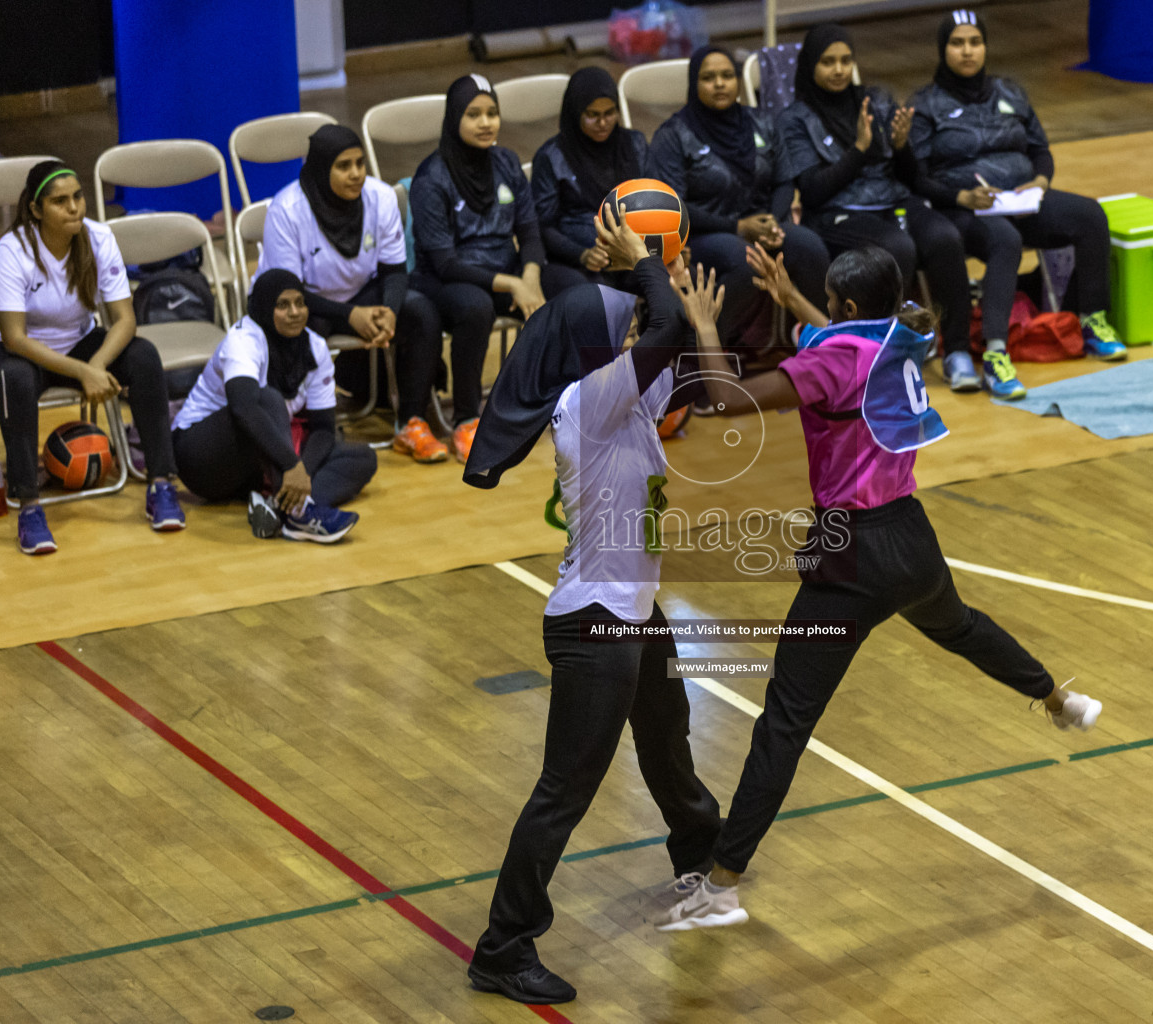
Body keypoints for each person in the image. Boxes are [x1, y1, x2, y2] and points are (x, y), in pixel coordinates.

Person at [658, 244, 1103, 930]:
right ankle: (1057, 698)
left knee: (785, 722)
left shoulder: (837, 356)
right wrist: (794, 302)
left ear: (849, 308)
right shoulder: (903, 335)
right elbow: (841, 342)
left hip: (852, 557)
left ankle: (720, 887)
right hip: (911, 539)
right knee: (960, 627)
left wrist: (705, 325)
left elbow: (726, 398)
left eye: (831, 304)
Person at [460, 210, 720, 1005]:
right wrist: (645, 263)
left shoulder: (626, 398)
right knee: (564, 791)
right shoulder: (591, 402)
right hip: (596, 622)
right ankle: (503, 948)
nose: (637, 331)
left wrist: (692, 314)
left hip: (633, 613)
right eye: (625, 327)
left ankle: (698, 866)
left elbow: (706, 384)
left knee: (670, 749)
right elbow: (663, 326)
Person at [0, 160, 185, 555]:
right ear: (35, 210)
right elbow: (16, 338)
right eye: (59, 201)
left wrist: (98, 365)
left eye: (78, 197)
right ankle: (29, 509)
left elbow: (125, 321)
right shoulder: (13, 249)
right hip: (11, 349)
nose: (73, 208)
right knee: (16, 379)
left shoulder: (99, 238)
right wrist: (82, 371)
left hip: (79, 343)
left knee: (143, 357)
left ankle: (161, 484)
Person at [909, 9, 1127, 399]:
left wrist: (1040, 183)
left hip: (1020, 200)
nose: (967, 51)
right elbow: (916, 176)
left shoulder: (1010, 92)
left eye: (975, 42)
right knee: (1004, 240)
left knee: (1090, 215)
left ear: (985, 47)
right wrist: (961, 197)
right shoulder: (926, 105)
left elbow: (1041, 151)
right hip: (964, 209)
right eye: (957, 43)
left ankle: (1092, 319)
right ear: (943, 50)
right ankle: (995, 356)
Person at [776, 24, 970, 375]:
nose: (838, 70)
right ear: (810, 66)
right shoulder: (795, 119)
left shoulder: (876, 100)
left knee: (945, 238)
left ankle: (957, 351)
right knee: (898, 246)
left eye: (846, 61)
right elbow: (814, 192)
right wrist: (860, 150)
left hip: (892, 199)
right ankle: (885, 350)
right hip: (837, 212)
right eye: (828, 62)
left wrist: (901, 147)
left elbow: (911, 178)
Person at [259, 124, 447, 462]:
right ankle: (310, 430)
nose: (356, 174)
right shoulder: (286, 210)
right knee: (301, 330)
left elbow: (393, 271)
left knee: (421, 312)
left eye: (360, 163)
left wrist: (388, 310)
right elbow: (288, 292)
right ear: (320, 168)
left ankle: (411, 421)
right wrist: (350, 316)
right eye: (344, 166)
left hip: (361, 293)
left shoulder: (381, 197)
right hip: (301, 302)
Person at [647, 45, 830, 358]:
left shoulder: (761, 122)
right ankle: (704, 362)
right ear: (694, 84)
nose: (720, 84)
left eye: (727, 76)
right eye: (709, 78)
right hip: (703, 234)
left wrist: (773, 220)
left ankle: (823, 351)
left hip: (761, 225)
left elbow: (785, 180)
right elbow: (671, 207)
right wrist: (738, 226)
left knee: (810, 247)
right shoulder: (674, 135)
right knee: (744, 260)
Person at [171, 270, 369, 543]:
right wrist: (291, 464)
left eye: (300, 303)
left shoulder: (316, 347)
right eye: (283, 305)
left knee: (362, 459)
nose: (295, 312)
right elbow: (244, 408)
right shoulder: (243, 339)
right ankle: (299, 514)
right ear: (264, 307)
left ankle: (278, 503)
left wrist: (301, 472)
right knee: (268, 399)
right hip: (201, 454)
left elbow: (323, 428)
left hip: (257, 457)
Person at [412, 73, 547, 462]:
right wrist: (513, 283)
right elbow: (445, 262)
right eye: (474, 114)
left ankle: (548, 400)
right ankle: (467, 418)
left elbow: (531, 232)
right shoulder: (431, 176)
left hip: (505, 273)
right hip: (445, 280)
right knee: (475, 307)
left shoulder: (506, 163)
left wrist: (532, 276)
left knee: (567, 289)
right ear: (454, 118)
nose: (486, 123)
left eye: (492, 113)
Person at [530, 67, 648, 299]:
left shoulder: (634, 144)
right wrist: (581, 254)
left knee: (679, 282)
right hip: (582, 260)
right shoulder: (552, 157)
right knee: (600, 302)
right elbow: (543, 227)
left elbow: (652, 200)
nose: (603, 122)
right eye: (593, 115)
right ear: (575, 113)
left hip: (634, 251)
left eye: (610, 113)